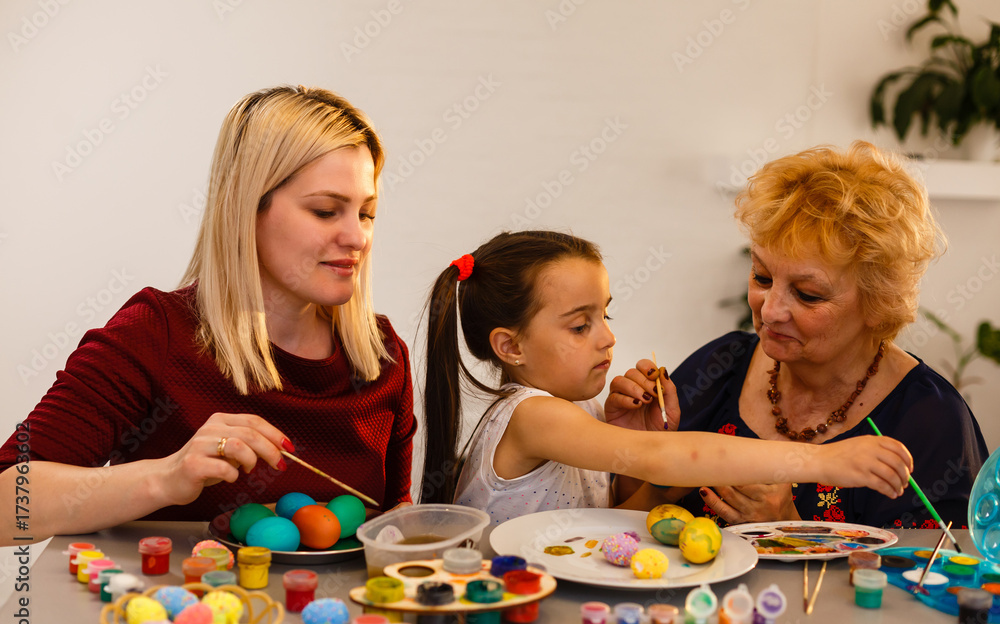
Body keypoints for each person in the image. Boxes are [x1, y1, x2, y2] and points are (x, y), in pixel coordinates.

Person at [0, 86, 416, 546]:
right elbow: (5, 504)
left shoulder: (382, 357)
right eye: (325, 211)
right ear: (246, 208)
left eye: (367, 213)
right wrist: (165, 477)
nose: (357, 238)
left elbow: (396, 524)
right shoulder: (156, 333)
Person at [610, 141, 988, 529]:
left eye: (808, 294)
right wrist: (636, 451)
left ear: (879, 303)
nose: (770, 311)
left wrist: (793, 529)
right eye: (762, 277)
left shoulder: (929, 421)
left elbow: (935, 580)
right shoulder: (721, 366)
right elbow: (627, 535)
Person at [421, 230, 914, 527]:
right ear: (511, 346)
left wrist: (642, 463)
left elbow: (605, 527)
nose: (608, 339)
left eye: (605, 316)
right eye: (580, 325)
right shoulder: (532, 415)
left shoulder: (577, 409)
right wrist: (822, 461)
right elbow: (668, 459)